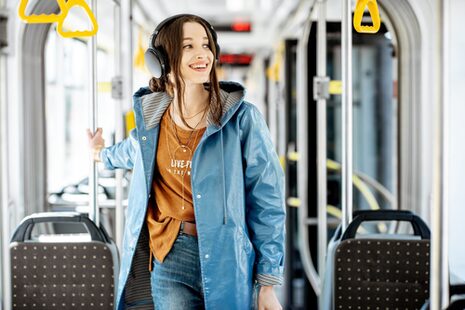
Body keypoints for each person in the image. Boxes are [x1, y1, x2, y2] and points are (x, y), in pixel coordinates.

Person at [87, 14, 285, 310]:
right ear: (161, 61)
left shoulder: (242, 118)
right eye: (188, 46)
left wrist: (267, 282)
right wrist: (99, 152)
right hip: (168, 252)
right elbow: (127, 153)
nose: (202, 54)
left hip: (226, 256)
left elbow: (267, 199)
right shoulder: (151, 122)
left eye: (206, 45)